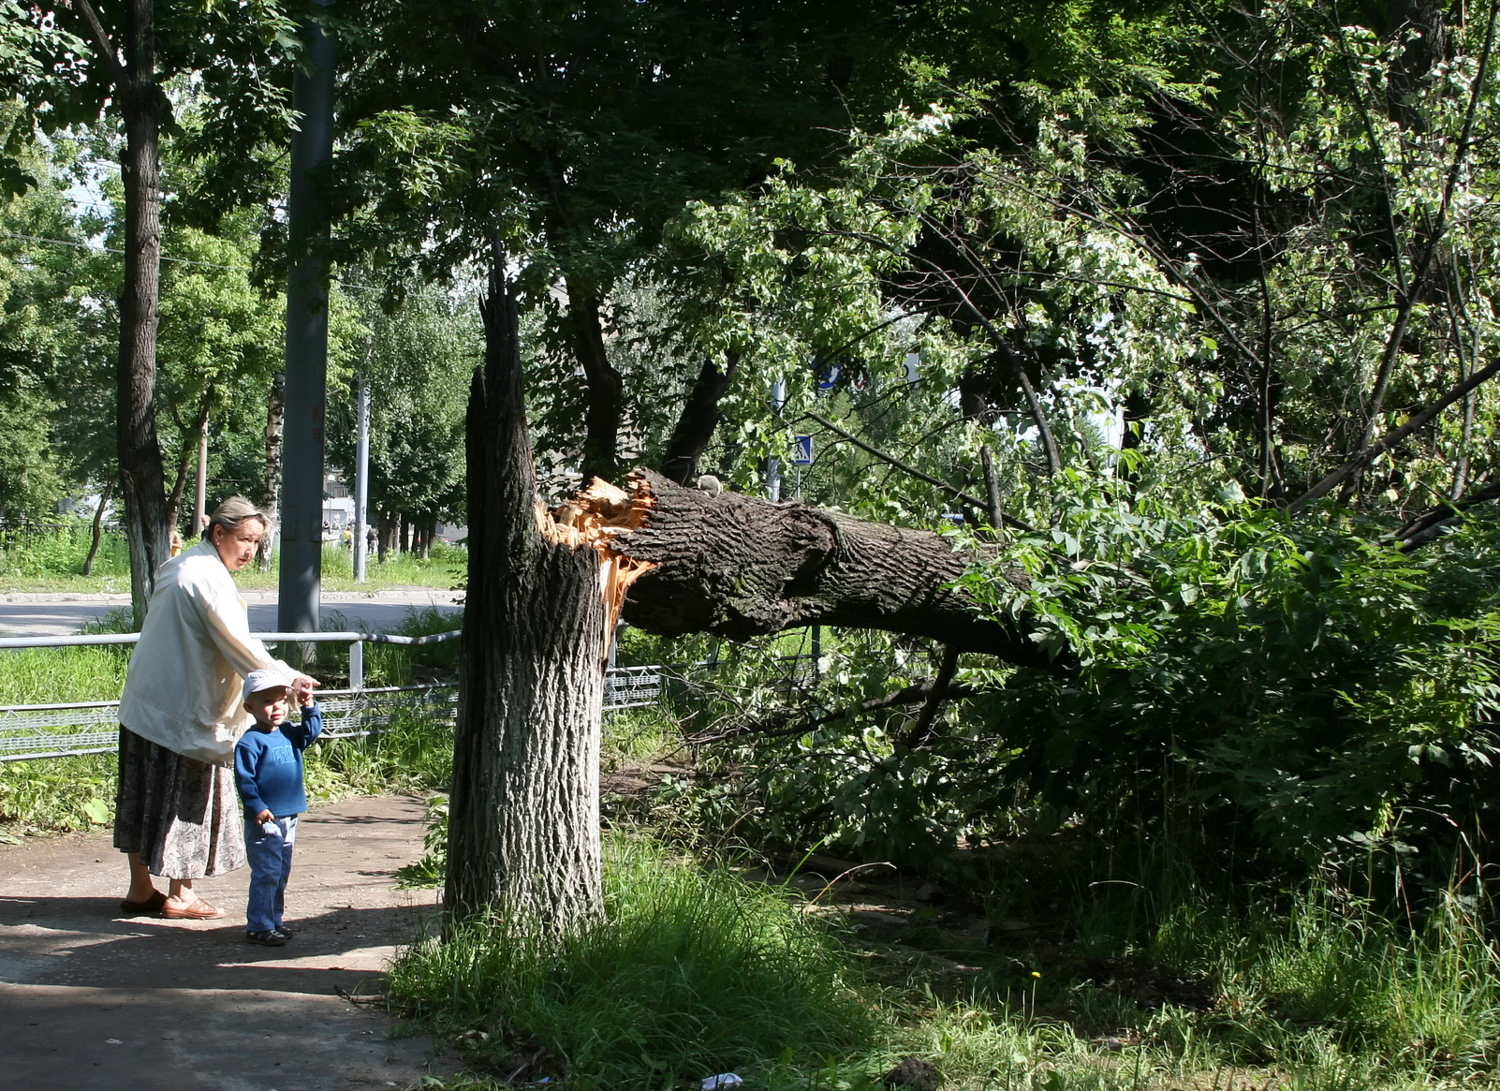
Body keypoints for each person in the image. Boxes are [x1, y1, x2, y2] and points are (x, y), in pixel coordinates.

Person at [114, 496, 317, 921]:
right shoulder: (205, 578)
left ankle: (140, 888)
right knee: (186, 800)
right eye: (244, 539)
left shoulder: (184, 564)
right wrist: (287, 679)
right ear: (218, 533)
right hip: (181, 710)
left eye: (257, 543)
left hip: (145, 702)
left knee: (143, 793)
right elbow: (239, 644)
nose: (250, 550)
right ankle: (181, 894)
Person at [233, 666, 323, 946]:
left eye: (281, 700)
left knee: (280, 871)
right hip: (266, 819)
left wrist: (309, 706)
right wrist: (256, 806)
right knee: (267, 872)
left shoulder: (288, 732)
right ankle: (258, 925)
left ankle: (275, 920)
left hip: (289, 815)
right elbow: (245, 780)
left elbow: (311, 733)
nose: (276, 708)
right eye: (267, 702)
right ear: (250, 707)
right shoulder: (250, 742)